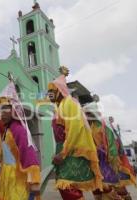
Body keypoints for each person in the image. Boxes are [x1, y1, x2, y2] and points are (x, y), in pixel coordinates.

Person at [47, 72, 103, 200]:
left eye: (51, 90)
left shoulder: (69, 103)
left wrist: (62, 153)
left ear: (60, 90)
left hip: (71, 151)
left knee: (67, 186)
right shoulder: (60, 107)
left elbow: (75, 129)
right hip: (65, 150)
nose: (48, 94)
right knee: (67, 187)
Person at [0, 81, 41, 200]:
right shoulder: (6, 131)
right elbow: (4, 155)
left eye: (6, 109)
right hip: (7, 180)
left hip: (18, 181)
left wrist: (34, 182)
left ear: (15, 109)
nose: (2, 114)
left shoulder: (18, 130)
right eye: (0, 110)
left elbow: (29, 154)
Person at [83, 102, 122, 200]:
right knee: (96, 190)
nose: (86, 116)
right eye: (85, 114)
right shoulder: (88, 127)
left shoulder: (104, 126)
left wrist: (112, 160)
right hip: (93, 162)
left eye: (88, 114)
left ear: (93, 113)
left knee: (107, 188)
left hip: (105, 162)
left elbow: (112, 145)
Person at [107, 117, 136, 200]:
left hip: (114, 162)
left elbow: (117, 147)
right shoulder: (108, 128)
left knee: (118, 185)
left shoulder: (110, 129)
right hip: (110, 162)